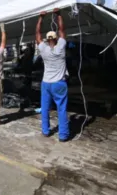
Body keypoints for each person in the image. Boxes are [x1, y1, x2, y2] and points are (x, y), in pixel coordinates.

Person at [35, 8, 69, 142]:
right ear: (55, 39)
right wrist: (58, 15)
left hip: (46, 83)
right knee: (61, 109)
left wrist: (41, 18)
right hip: (59, 83)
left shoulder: (43, 49)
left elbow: (37, 34)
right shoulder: (60, 47)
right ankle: (63, 135)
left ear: (47, 39)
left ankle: (45, 131)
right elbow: (62, 30)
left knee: (45, 108)